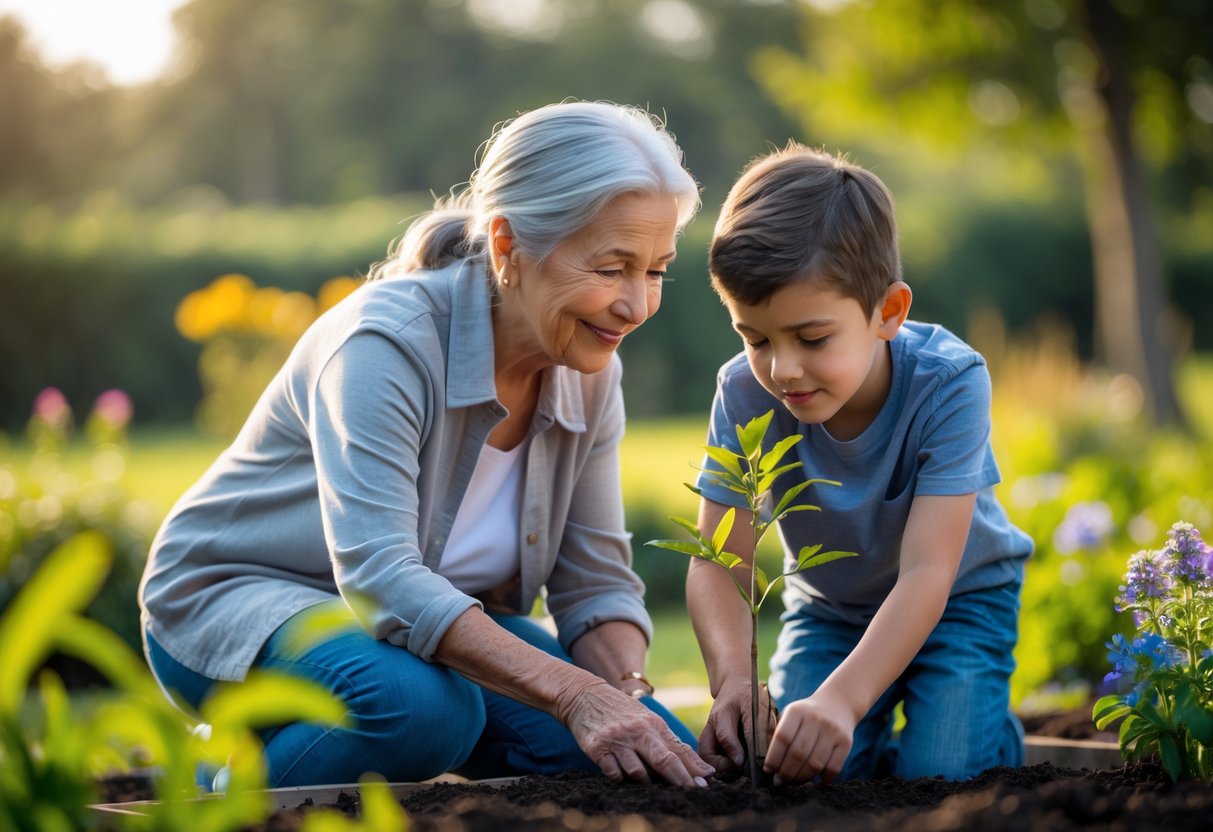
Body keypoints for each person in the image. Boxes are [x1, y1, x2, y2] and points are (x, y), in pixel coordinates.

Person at [139, 100, 716, 790]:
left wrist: (625, 691)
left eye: (654, 270)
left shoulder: (591, 370)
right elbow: (381, 578)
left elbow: (593, 584)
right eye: (611, 267)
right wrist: (573, 693)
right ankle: (217, 783)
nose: (636, 305)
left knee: (650, 760)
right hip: (238, 602)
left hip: (416, 637)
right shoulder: (385, 342)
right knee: (420, 710)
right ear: (507, 247)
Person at [687, 143, 1034, 784]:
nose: (782, 368)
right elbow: (719, 560)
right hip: (830, 610)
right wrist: (735, 676)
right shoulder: (743, 391)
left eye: (812, 339)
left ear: (889, 313)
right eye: (755, 337)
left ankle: (983, 731)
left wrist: (845, 701)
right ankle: (889, 737)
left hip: (958, 600)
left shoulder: (949, 382)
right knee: (803, 775)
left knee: (944, 774)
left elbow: (930, 570)